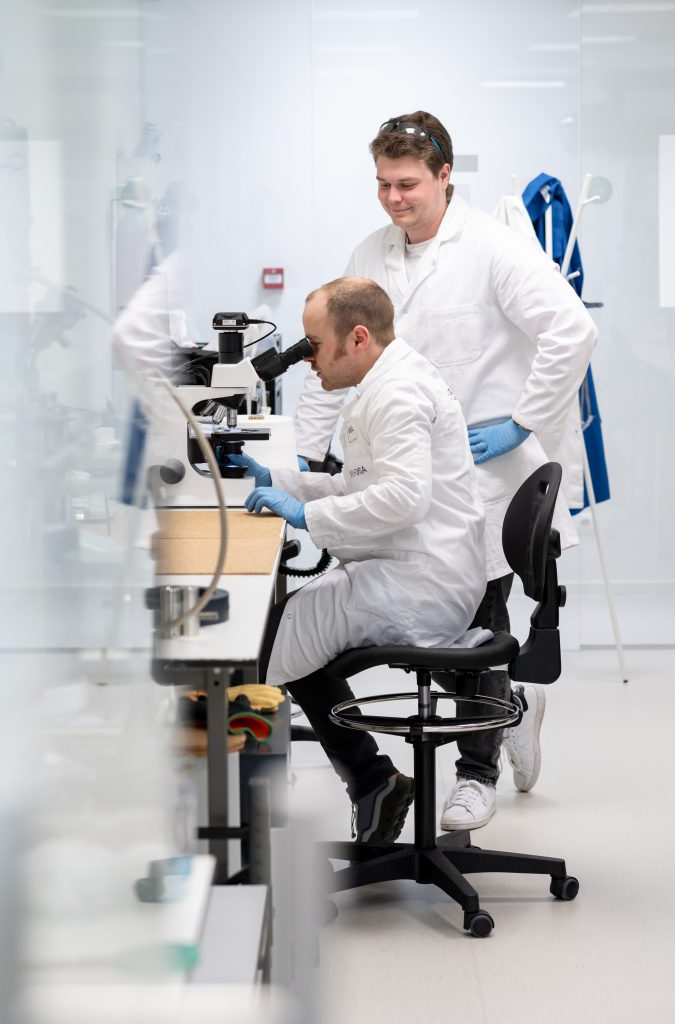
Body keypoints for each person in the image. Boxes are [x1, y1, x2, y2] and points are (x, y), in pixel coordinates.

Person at [293, 111, 598, 830]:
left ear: (443, 176)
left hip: (484, 477)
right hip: (400, 468)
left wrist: (523, 419)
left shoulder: (492, 248)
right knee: (424, 627)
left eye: (407, 184)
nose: (394, 198)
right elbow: (335, 348)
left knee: (477, 621)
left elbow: (571, 329)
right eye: (382, 184)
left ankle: (475, 773)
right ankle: (509, 710)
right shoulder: (371, 249)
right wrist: (306, 455)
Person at [233, 276, 487, 843]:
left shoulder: (395, 394)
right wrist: (282, 482)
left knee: (268, 639)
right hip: (412, 564)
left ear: (358, 338)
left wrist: (305, 517)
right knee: (293, 634)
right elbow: (359, 484)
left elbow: (402, 498)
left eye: (313, 346)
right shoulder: (388, 379)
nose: (306, 361)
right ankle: (372, 779)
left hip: (418, 580)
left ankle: (365, 781)